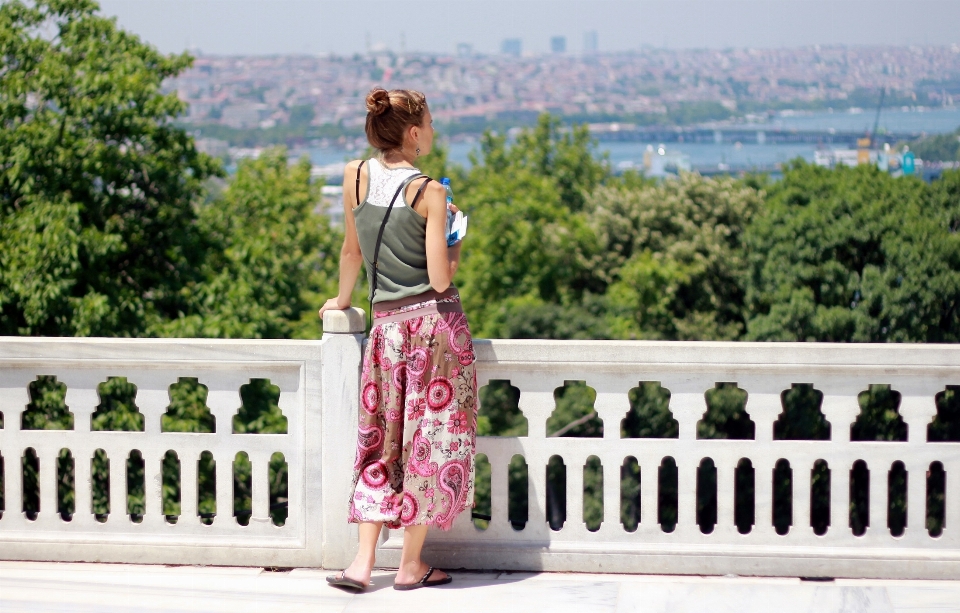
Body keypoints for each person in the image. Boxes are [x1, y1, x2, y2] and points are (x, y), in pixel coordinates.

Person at [319, 87, 477, 592]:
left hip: (386, 331)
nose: (432, 132)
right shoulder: (430, 192)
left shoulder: (354, 175)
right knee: (427, 442)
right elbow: (438, 279)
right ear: (412, 134)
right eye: (429, 124)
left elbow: (350, 252)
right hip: (433, 331)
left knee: (379, 441)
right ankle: (410, 565)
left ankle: (362, 563)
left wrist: (342, 303)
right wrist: (454, 237)